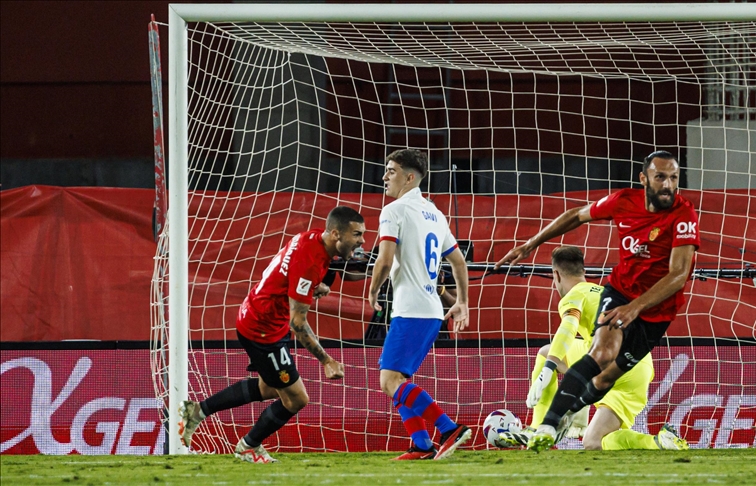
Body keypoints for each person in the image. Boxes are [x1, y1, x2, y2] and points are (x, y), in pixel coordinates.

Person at [495, 150, 699, 453]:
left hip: (654, 312)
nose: (668, 184)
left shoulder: (683, 215)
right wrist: (531, 243)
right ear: (644, 179)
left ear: (556, 275)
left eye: (673, 178)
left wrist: (549, 368)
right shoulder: (623, 202)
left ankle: (552, 420)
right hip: (622, 299)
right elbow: (577, 215)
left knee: (594, 374)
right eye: (660, 177)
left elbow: (679, 274)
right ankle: (552, 425)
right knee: (600, 359)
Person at [178, 206, 366, 463]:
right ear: (335, 234)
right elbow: (298, 323)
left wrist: (314, 285)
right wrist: (326, 361)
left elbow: (295, 276)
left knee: (268, 387)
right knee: (297, 399)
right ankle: (248, 446)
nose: (362, 240)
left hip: (259, 315)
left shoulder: (312, 237)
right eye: (356, 234)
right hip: (263, 330)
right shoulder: (310, 261)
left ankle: (197, 411)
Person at [497, 246, 687, 451]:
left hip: (608, 360)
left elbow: (568, 328)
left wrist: (548, 368)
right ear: (583, 272)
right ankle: (658, 442)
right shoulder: (605, 293)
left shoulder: (574, 295)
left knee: (546, 354)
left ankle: (536, 428)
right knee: (594, 441)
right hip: (639, 368)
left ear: (556, 275)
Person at [367, 149, 472, 460]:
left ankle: (449, 428)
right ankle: (422, 445)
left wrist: (373, 290)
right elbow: (459, 262)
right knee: (398, 380)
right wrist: (462, 302)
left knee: (389, 381)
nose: (385, 177)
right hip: (430, 311)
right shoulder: (435, 214)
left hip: (412, 308)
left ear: (410, 177)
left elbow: (385, 260)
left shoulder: (394, 210)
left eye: (391, 171)